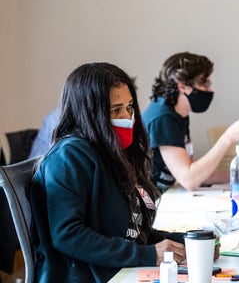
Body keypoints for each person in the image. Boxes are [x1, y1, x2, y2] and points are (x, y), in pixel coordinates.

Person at [30, 63, 187, 282]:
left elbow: (127, 232)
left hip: (115, 271)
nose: (127, 117)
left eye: (130, 107)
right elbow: (68, 235)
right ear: (90, 113)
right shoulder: (69, 158)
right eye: (115, 110)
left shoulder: (112, 153)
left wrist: (183, 242)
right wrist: (147, 255)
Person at [142, 52, 239, 192]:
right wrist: (227, 137)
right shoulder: (163, 119)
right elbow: (189, 179)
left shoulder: (176, 113)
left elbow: (197, 173)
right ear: (182, 87)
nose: (209, 90)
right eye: (204, 83)